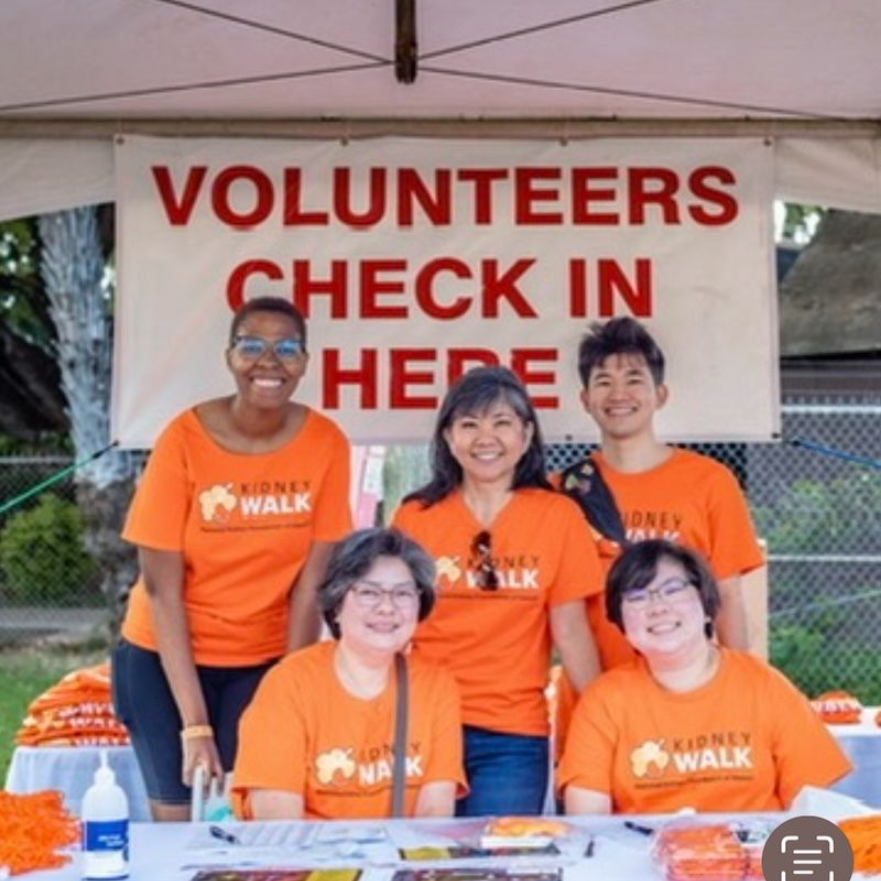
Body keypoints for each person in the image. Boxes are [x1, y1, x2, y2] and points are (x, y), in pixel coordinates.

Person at [112, 296, 352, 821]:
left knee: (250, 820)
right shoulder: (183, 439)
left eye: (288, 348)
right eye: (252, 346)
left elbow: (310, 586)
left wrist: (288, 689)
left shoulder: (326, 443)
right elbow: (161, 590)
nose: (270, 361)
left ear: (305, 363)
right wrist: (194, 725)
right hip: (163, 658)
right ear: (229, 356)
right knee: (178, 823)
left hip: (260, 660)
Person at [392, 365, 602, 816]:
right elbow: (389, 625)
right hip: (422, 723)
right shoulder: (416, 517)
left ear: (526, 435)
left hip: (512, 735)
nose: (485, 438)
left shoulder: (558, 516)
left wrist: (608, 718)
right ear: (448, 437)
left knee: (500, 860)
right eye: (469, 425)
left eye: (501, 423)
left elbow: (571, 630)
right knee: (420, 858)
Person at [554, 316, 764, 753]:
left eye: (634, 379)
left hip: (693, 714)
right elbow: (562, 619)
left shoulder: (710, 481)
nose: (619, 394)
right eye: (603, 381)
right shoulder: (564, 490)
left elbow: (728, 597)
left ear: (660, 394)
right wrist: (601, 709)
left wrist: (743, 694)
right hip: (596, 714)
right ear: (585, 399)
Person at [558, 540, 852, 815]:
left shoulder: (764, 685)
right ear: (621, 623)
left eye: (672, 589)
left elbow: (815, 806)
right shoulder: (604, 701)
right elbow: (588, 822)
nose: (658, 607)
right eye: (637, 597)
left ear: (707, 604)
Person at [232, 527, 466, 820]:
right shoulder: (288, 685)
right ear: (336, 604)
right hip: (307, 861)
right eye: (369, 592)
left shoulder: (436, 687)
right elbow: (278, 824)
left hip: (398, 861)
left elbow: (435, 815)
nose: (387, 608)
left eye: (403, 594)